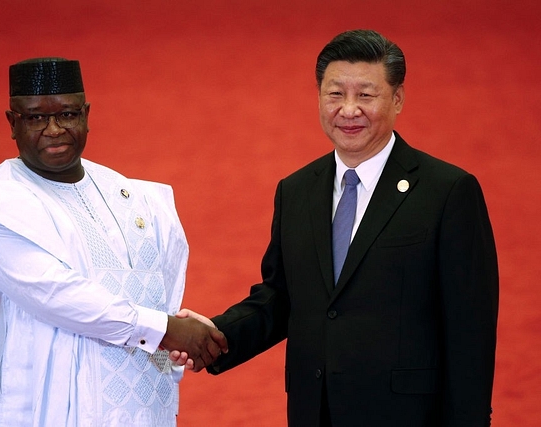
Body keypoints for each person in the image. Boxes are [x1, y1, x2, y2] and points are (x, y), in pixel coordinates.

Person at [173, 30, 499, 426]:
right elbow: (283, 297)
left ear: (397, 99)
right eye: (335, 94)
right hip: (316, 411)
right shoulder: (296, 190)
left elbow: (471, 331)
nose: (348, 110)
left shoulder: (447, 192)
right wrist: (216, 334)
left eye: (365, 95)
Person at [0, 57, 227, 427]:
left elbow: (156, 290)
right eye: (36, 118)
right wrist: (164, 330)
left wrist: (173, 340)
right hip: (43, 404)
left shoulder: (132, 196)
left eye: (67, 114)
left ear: (86, 114)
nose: (54, 129)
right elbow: (58, 295)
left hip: (139, 402)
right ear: (12, 123)